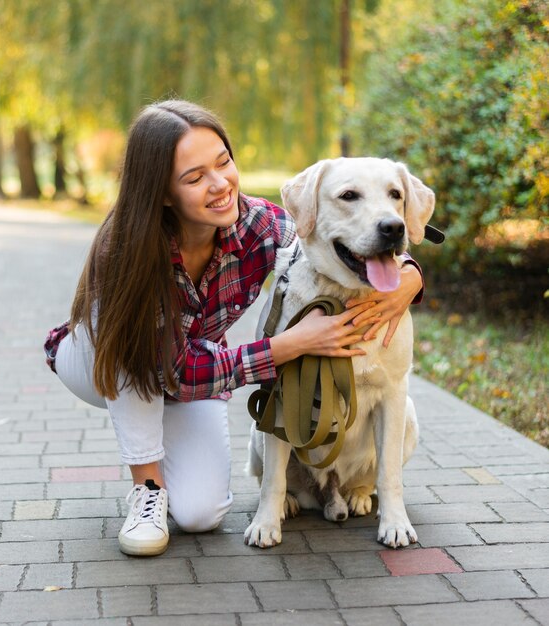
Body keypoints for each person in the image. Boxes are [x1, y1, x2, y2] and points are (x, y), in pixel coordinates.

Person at [44, 99, 424, 557]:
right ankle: (146, 490)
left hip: (194, 369)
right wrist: (286, 346)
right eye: (194, 177)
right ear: (162, 192)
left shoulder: (256, 225)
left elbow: (319, 236)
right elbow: (173, 370)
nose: (220, 183)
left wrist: (409, 279)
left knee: (201, 514)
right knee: (136, 357)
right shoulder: (124, 247)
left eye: (223, 162)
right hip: (102, 362)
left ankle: (159, 433)